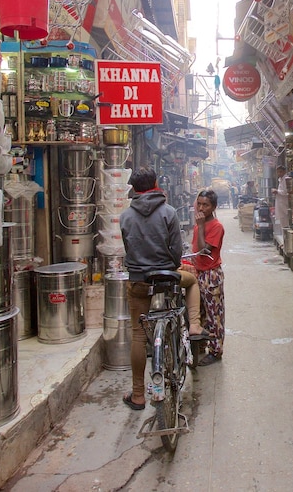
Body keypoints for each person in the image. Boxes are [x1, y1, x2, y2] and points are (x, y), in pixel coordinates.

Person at [118, 168, 204, 411]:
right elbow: (176, 250)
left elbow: (128, 247)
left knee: (138, 334)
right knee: (193, 281)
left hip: (139, 281)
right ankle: (195, 323)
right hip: (167, 278)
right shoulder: (168, 212)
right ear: (155, 184)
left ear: (134, 189)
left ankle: (137, 395)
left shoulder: (125, 217)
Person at [180, 189, 225, 366]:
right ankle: (199, 347)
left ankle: (216, 350)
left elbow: (203, 250)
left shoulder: (216, 226)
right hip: (198, 273)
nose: (201, 207)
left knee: (215, 315)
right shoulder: (200, 223)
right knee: (199, 314)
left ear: (213, 207)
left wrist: (199, 228)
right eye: (199, 203)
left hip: (211, 275)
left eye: (205, 205)